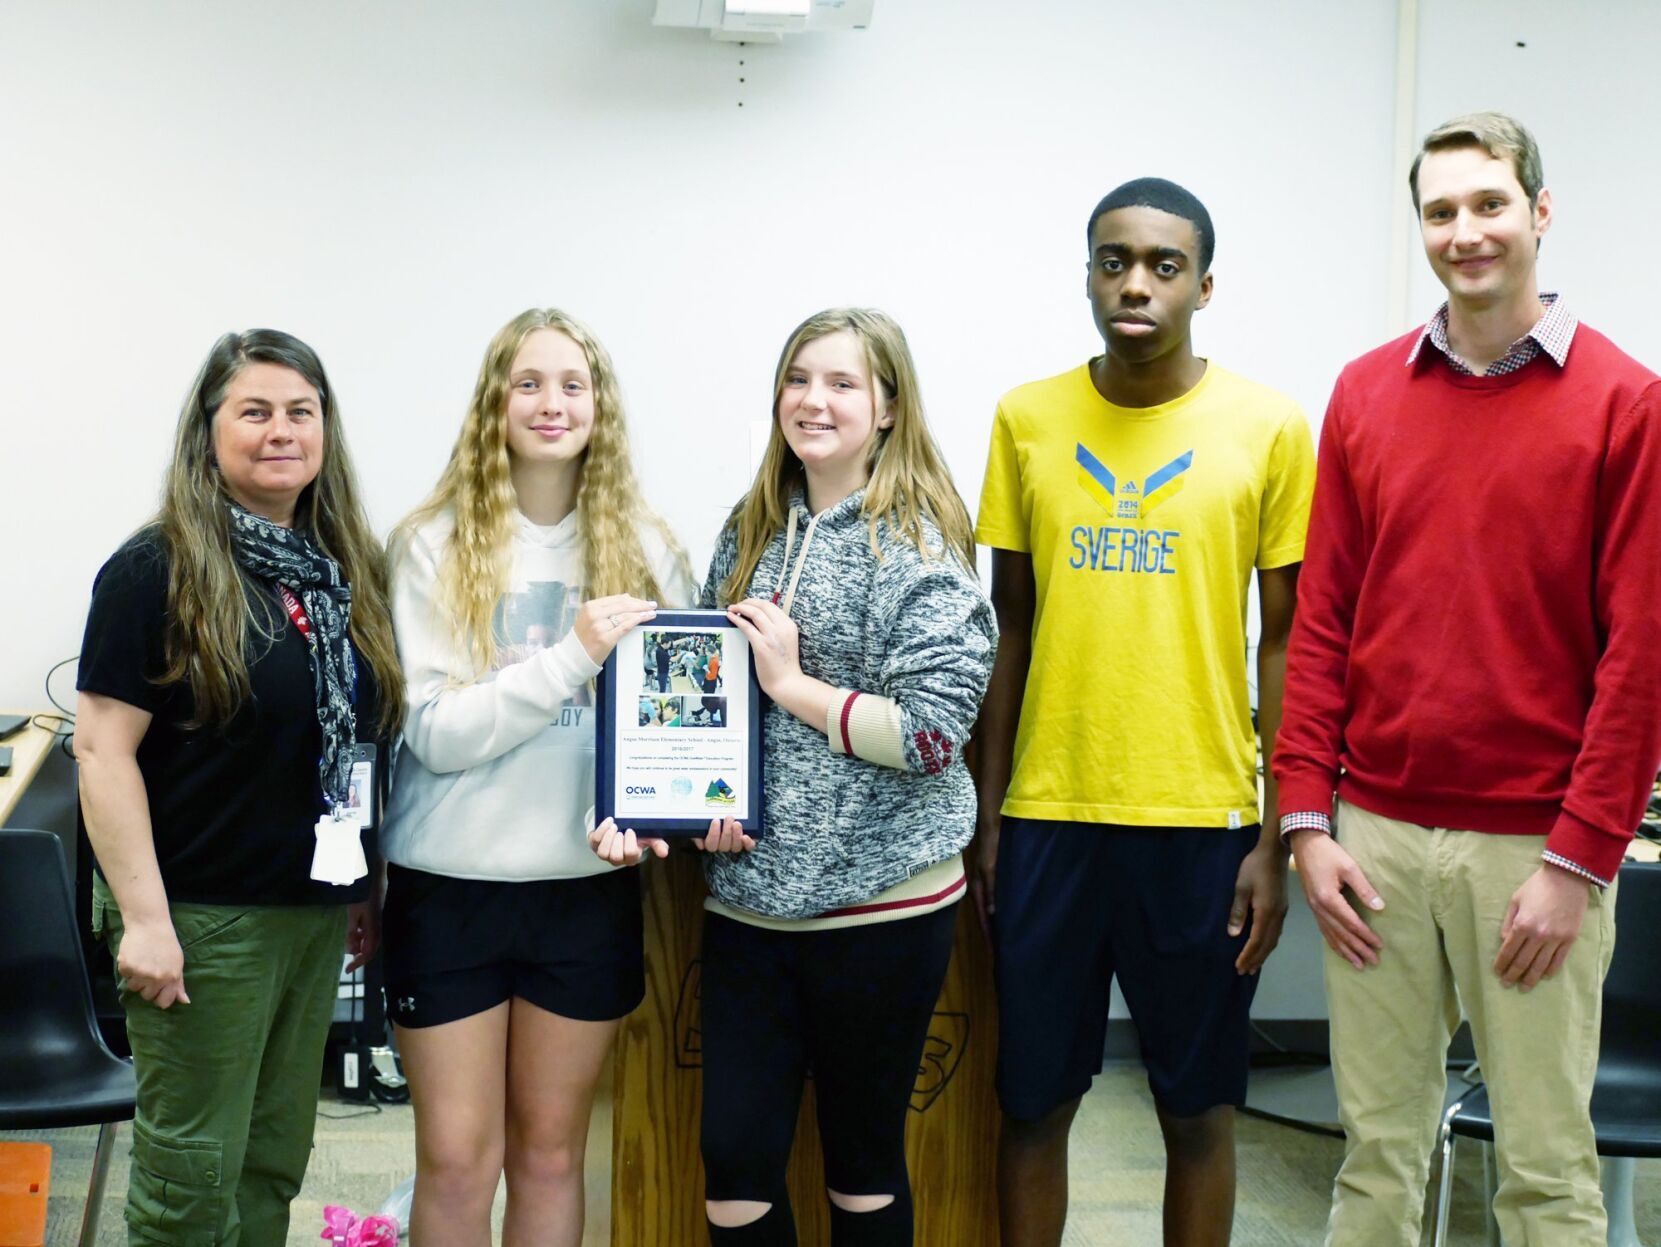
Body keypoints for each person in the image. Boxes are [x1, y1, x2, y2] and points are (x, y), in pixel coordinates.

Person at [1274, 112, 1661, 1247]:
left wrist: (1576, 860)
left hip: (1528, 851)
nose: (1464, 231)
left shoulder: (1623, 403)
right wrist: (1307, 820)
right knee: (1374, 1159)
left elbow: (1638, 655)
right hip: (1374, 839)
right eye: (1439, 211)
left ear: (1538, 213)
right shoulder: (1362, 394)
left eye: (1487, 203)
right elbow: (1322, 621)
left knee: (1543, 1174)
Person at [593, 307, 996, 1245]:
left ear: (889, 407)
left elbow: (936, 732)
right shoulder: (752, 525)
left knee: (860, 1168)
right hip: (749, 904)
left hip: (881, 906)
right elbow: (703, 700)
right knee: (732, 1169)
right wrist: (698, 810)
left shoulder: (921, 544)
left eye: (843, 383)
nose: (813, 401)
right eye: (798, 379)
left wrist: (793, 684)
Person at [973, 179, 1315, 1247]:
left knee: (1196, 1109)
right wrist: (988, 817)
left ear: (1202, 285)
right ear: (1086, 275)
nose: (1134, 282)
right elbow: (1009, 630)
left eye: (1162, 265)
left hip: (1200, 820)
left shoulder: (1266, 425)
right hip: (1049, 816)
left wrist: (1276, 834)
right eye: (1112, 260)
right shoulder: (1026, 417)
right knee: (1031, 1102)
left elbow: (1286, 640)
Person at [75, 329, 403, 1247]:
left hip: (306, 916)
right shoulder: (157, 568)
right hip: (198, 917)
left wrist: (361, 888)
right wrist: (144, 921)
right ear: (208, 430)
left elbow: (350, 744)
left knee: (269, 1161)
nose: (280, 431)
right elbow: (101, 753)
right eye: (253, 411)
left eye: (301, 411)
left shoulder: (343, 573)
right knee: (192, 1177)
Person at [379, 308, 696, 1247]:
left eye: (572, 384)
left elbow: (672, 728)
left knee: (553, 1155)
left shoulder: (646, 547)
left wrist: (664, 814)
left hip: (584, 891)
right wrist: (571, 656)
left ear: (600, 406)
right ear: (495, 403)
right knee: (457, 1160)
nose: (551, 403)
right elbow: (434, 734)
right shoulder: (432, 543)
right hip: (451, 889)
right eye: (528, 383)